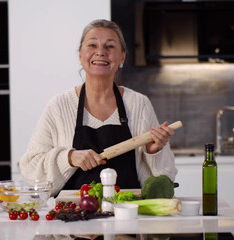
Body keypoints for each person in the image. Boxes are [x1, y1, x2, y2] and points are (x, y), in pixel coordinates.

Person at [19, 19, 177, 196]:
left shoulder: (139, 104)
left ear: (122, 56)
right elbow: (30, 168)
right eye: (92, 45)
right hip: (74, 215)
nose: (100, 52)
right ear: (80, 54)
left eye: (110, 46)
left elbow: (165, 176)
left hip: (128, 212)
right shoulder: (59, 105)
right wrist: (69, 158)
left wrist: (153, 151)